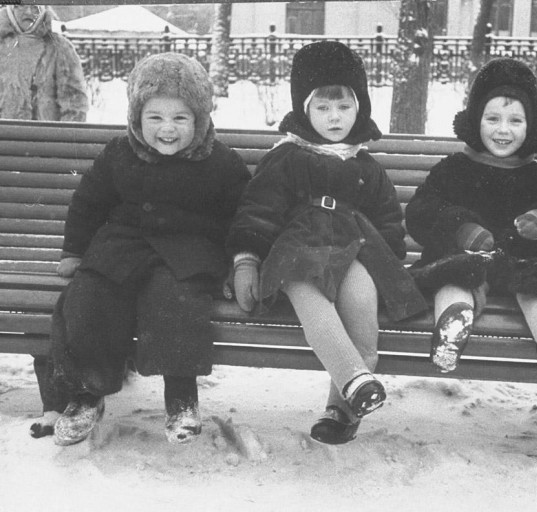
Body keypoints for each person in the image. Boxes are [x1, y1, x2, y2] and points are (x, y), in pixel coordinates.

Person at [405, 58, 537, 470]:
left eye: (516, 120)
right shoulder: (454, 169)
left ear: (531, 125)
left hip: (521, 262)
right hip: (466, 257)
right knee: (453, 274)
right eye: (493, 117)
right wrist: (460, 228)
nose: (503, 129)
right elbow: (422, 210)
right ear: (475, 119)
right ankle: (451, 328)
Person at [226, 41, 427, 445]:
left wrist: (383, 263)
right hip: (296, 254)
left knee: (361, 317)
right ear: (304, 109)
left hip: (354, 251)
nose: (334, 117)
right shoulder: (286, 158)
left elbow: (388, 221)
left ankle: (342, 409)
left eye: (344, 107)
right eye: (322, 108)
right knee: (308, 289)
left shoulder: (366, 166)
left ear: (360, 108)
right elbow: (257, 212)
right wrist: (246, 260)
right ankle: (354, 378)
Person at [47, 52, 251, 446]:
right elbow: (88, 202)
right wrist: (74, 251)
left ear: (200, 120)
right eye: (155, 117)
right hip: (123, 246)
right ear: (137, 119)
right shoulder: (120, 154)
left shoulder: (220, 162)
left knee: (176, 302)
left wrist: (235, 265)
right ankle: (89, 392)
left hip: (187, 253)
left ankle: (181, 396)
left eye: (180, 118)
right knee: (90, 298)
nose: (167, 129)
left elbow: (239, 217)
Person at [1, 4, 90, 438]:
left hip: (46, 176)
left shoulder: (60, 48)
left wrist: (60, 157)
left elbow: (74, 107)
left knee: (43, 277)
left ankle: (55, 395)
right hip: (4, 176)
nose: (25, 11)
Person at [0, 5, 88, 121]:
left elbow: (74, 105)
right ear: (11, 9)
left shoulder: (60, 48)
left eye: (35, 7)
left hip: (45, 136)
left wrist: (61, 137)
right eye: (21, 6)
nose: (28, 12)